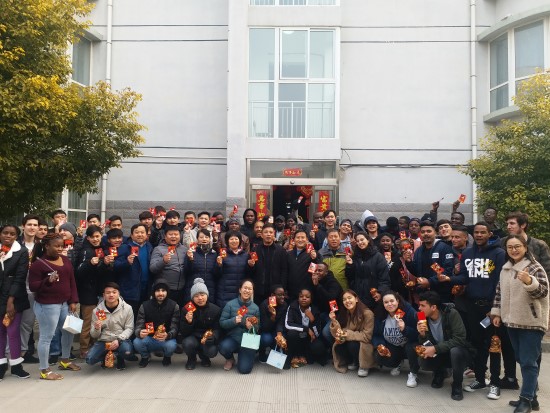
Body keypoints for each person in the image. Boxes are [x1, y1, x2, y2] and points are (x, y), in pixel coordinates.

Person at [492, 235, 549, 413]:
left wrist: (529, 281)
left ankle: (525, 400)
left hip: (531, 322)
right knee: (522, 360)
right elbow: (499, 293)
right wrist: (497, 313)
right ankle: (533, 399)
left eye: (517, 246)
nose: (514, 250)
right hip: (512, 321)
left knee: (528, 363)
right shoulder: (506, 268)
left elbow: (543, 292)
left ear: (525, 247)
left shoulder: (534, 267)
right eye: (510, 247)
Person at [451, 222, 505, 400]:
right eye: (477, 232)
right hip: (472, 307)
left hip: (491, 308)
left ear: (489, 234)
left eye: (483, 232)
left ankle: (495, 383)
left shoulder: (498, 253)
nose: (479, 235)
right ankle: (480, 379)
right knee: (477, 344)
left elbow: (500, 282)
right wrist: (447, 279)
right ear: (473, 235)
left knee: (494, 345)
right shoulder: (467, 253)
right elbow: (464, 278)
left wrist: (495, 308)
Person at [29, 233, 80, 380]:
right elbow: (32, 286)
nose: (60, 248)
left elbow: (72, 281)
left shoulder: (65, 260)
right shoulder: (38, 264)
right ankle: (44, 369)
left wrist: (73, 301)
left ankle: (65, 360)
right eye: (56, 246)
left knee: (69, 331)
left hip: (65, 304)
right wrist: (47, 280)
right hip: (47, 305)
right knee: (47, 337)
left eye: (61, 246)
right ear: (46, 246)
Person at [416, 291, 474, 401]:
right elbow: (426, 343)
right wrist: (422, 335)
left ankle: (457, 384)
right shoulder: (421, 316)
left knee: (456, 352)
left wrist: (435, 348)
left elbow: (459, 339)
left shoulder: (451, 314)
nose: (419, 308)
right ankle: (440, 373)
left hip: (457, 351)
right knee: (422, 358)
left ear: (433, 307)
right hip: (440, 352)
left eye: (423, 305)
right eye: (419, 305)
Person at [0, 225, 31, 379]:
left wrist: (10, 301)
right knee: (0, 331)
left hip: (14, 297)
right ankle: (1, 365)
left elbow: (20, 277)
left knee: (12, 331)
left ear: (16, 236)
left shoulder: (22, 251)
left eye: (12, 234)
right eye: (5, 233)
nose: (8, 236)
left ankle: (16, 366)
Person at [75, 225, 109, 358]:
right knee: (88, 322)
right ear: (88, 238)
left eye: (97, 236)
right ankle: (84, 349)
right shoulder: (86, 251)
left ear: (101, 236)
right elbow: (78, 272)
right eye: (92, 237)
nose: (95, 239)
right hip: (87, 293)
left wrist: (106, 263)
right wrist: (90, 263)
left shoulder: (102, 250)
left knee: (99, 321)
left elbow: (101, 272)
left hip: (100, 292)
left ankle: (95, 346)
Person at [372, 291, 419, 386]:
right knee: (379, 357)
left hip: (409, 344)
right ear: (383, 304)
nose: (389, 304)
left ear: (397, 301)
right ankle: (397, 363)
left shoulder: (407, 311)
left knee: (411, 348)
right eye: (386, 302)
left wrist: (405, 329)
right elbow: (376, 334)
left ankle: (413, 373)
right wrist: (380, 345)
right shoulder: (381, 314)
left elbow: (419, 334)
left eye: (392, 301)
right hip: (393, 345)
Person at [87, 282, 134, 371]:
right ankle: (106, 356)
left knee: (127, 352)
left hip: (121, 340)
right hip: (104, 341)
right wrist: (96, 328)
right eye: (108, 293)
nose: (111, 295)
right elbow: (94, 335)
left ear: (118, 294)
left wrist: (119, 340)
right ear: (104, 295)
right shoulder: (97, 310)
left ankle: (120, 357)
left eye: (114, 292)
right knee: (90, 360)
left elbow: (129, 328)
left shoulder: (127, 308)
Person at [403, 221, 454, 303]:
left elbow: (448, 270)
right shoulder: (419, 250)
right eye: (423, 232)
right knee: (422, 311)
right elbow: (417, 271)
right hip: (424, 294)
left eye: (429, 231)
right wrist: (408, 262)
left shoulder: (444, 248)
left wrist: (430, 282)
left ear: (435, 233)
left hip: (441, 294)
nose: (425, 234)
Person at [133, 278, 179, 367]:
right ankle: (145, 357)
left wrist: (168, 335)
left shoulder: (174, 306)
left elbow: (175, 327)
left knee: (171, 345)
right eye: (158, 290)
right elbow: (139, 324)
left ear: (167, 292)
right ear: (153, 292)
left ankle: (167, 356)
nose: (160, 293)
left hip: (165, 338)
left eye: (163, 290)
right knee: (137, 342)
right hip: (149, 338)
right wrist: (139, 332)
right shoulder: (144, 305)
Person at [329, 289, 374, 377]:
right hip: (352, 339)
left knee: (352, 345)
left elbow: (367, 336)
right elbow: (339, 332)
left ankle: (364, 365)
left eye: (349, 298)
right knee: (338, 345)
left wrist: (348, 334)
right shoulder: (346, 313)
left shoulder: (368, 314)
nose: (347, 301)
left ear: (356, 299)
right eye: (344, 299)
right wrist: (334, 320)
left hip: (365, 343)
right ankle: (354, 361)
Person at [218, 279, 260, 374]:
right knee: (223, 347)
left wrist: (252, 328)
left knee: (244, 370)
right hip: (233, 338)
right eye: (245, 288)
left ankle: (248, 356)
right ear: (240, 290)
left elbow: (258, 327)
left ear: (252, 291)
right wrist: (233, 321)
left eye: (250, 289)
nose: (247, 291)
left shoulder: (255, 308)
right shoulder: (230, 304)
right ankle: (230, 359)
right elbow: (222, 323)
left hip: (248, 341)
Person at [180, 278, 221, 369]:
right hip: (193, 337)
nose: (200, 298)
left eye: (202, 295)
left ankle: (204, 357)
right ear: (192, 298)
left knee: (212, 350)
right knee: (187, 343)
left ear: (207, 295)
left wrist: (213, 337)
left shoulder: (215, 309)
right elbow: (183, 332)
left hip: (206, 337)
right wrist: (188, 322)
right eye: (196, 296)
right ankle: (191, 358)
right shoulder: (186, 309)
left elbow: (217, 329)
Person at [113, 223, 153, 317]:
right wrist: (127, 262)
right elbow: (115, 265)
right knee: (129, 317)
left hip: (146, 289)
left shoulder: (150, 247)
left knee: (143, 316)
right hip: (130, 289)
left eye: (142, 232)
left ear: (146, 235)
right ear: (131, 235)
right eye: (137, 232)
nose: (140, 235)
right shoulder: (124, 247)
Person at [345, 231, 390, 309]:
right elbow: (350, 277)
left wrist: (380, 292)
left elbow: (384, 279)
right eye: (358, 241)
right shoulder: (355, 256)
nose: (360, 242)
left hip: (373, 296)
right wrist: (350, 265)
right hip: (358, 296)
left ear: (368, 240)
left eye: (362, 239)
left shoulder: (378, 256)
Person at [284, 288, 327, 368]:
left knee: (318, 347)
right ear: (298, 298)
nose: (304, 298)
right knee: (291, 334)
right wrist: (306, 329)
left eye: (307, 297)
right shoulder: (292, 307)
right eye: (301, 296)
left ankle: (305, 355)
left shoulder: (315, 310)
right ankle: (292, 356)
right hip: (296, 338)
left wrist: (312, 320)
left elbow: (317, 334)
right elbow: (288, 324)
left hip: (308, 339)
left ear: (311, 300)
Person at [249, 223, 288, 304]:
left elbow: (284, 270)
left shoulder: (280, 250)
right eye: (266, 232)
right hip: (259, 289)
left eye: (270, 232)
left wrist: (282, 287)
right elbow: (251, 272)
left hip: (275, 290)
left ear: (274, 234)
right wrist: (250, 266)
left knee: (273, 310)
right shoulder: (255, 250)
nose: (268, 234)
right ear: (262, 235)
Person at [149, 225, 187, 304]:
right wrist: (163, 261)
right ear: (165, 236)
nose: (173, 236)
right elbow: (152, 268)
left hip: (182, 289)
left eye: (176, 234)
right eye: (170, 234)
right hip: (165, 289)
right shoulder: (158, 249)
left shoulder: (184, 249)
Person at [215, 230, 251, 308]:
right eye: (231, 239)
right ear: (227, 241)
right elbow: (216, 274)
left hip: (240, 292)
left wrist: (251, 266)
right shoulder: (222, 255)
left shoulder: (245, 255)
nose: (234, 241)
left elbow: (249, 274)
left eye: (236, 239)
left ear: (240, 241)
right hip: (225, 292)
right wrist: (219, 265)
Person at [184, 229, 219, 302]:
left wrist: (219, 264)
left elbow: (217, 273)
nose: (204, 239)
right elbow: (186, 271)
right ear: (197, 239)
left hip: (210, 288)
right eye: (201, 237)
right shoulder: (191, 252)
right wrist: (191, 259)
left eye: (206, 237)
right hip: (193, 287)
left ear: (210, 239)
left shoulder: (214, 254)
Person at [287, 229, 320, 300]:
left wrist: (314, 259)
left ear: (307, 240)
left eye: (302, 237)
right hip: (291, 291)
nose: (300, 240)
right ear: (293, 240)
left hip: (306, 292)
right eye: (298, 237)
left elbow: (316, 270)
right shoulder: (288, 254)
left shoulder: (312, 253)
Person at [258, 285, 288, 363]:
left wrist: (279, 333)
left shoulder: (284, 305)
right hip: (265, 331)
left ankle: (274, 351)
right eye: (279, 295)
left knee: (282, 337)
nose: (282, 297)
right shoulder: (264, 305)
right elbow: (264, 327)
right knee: (266, 339)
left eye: (283, 294)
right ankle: (262, 351)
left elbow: (281, 321)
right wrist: (272, 316)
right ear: (272, 295)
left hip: (276, 329)